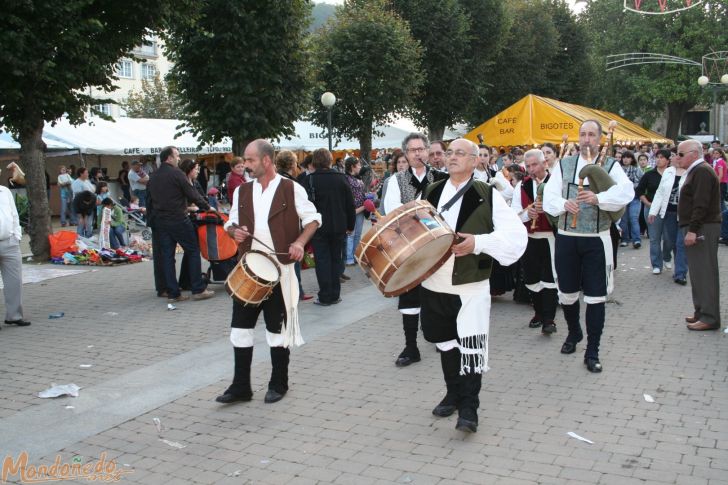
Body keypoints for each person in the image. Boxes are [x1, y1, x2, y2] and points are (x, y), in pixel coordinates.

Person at [421, 138, 526, 432]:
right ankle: (453, 394)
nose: (451, 157)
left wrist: (478, 243)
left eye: (459, 153)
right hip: (433, 282)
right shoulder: (432, 190)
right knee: (445, 343)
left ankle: (469, 409)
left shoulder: (487, 194)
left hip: (469, 285)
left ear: (475, 160)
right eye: (449, 152)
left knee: (470, 347)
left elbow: (516, 238)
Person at [216, 140, 321, 404]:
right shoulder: (242, 191)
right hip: (249, 268)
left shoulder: (291, 188)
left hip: (280, 270)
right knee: (239, 330)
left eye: (250, 160)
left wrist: (298, 242)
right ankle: (241, 387)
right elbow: (230, 222)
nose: (246, 165)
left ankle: (279, 382)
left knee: (276, 331)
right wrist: (233, 231)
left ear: (266, 161)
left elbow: (313, 219)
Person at [544, 119, 634, 373]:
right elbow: (549, 196)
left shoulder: (611, 165)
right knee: (567, 292)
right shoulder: (565, 164)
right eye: (583, 134)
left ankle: (592, 351)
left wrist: (598, 198)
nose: (586, 139)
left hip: (597, 239)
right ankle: (574, 333)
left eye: (592, 135)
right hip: (566, 237)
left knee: (596, 297)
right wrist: (564, 204)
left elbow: (626, 193)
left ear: (600, 139)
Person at [382, 132, 448, 367]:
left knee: (438, 293)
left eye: (421, 149)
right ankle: (411, 347)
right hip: (409, 248)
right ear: (406, 154)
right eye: (412, 150)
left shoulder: (442, 177)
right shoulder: (395, 181)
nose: (417, 153)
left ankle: (442, 339)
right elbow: (393, 211)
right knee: (409, 295)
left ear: (428, 151)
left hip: (437, 246)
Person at [147, 146, 214, 303]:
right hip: (178, 218)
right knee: (192, 250)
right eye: (177, 156)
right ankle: (198, 288)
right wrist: (207, 206)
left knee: (168, 256)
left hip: (161, 220)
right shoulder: (176, 173)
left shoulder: (154, 176)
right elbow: (192, 193)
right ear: (169, 158)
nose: (178, 158)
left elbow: (149, 199)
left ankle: (173, 292)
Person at [676, 139, 722, 331]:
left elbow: (700, 204)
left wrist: (693, 230)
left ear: (694, 154)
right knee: (697, 272)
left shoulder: (701, 171)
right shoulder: (697, 170)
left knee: (704, 272)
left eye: (680, 154)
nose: (677, 158)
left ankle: (709, 317)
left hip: (703, 227)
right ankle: (701, 311)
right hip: (699, 226)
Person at [511, 149, 558, 335]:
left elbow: (563, 208)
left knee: (549, 279)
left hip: (550, 239)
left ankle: (549, 320)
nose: (531, 169)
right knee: (531, 279)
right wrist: (526, 214)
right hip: (529, 239)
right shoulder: (522, 185)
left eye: (534, 165)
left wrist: (548, 208)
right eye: (528, 166)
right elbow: (514, 212)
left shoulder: (555, 183)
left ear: (544, 163)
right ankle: (538, 312)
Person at [305, 148, 355, 306]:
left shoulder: (309, 180)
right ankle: (335, 294)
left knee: (322, 261)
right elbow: (350, 204)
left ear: (314, 162)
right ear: (330, 161)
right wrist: (350, 225)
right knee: (336, 259)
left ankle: (325, 295)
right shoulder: (341, 178)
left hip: (318, 227)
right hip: (339, 225)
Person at [276, 149, 313, 301]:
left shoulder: (275, 180)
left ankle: (290, 291)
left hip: (277, 227)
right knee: (294, 260)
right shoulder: (291, 183)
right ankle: (297, 291)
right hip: (290, 226)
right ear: (292, 164)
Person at [648, 150, 688, 285]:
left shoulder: (691, 172)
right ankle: (667, 258)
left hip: (684, 214)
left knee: (680, 243)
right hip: (669, 213)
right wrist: (653, 211)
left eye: (677, 156)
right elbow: (660, 192)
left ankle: (680, 273)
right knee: (670, 241)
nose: (674, 158)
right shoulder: (668, 172)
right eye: (673, 156)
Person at [0, 183, 30, 329]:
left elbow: (14, 214)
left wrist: (16, 235)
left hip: (10, 241)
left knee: (15, 281)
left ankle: (14, 316)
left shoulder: (4, 191)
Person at [637, 148, 669, 274]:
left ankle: (667, 256)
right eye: (657, 157)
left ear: (667, 160)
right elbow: (639, 190)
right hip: (651, 209)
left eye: (661, 157)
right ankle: (656, 264)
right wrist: (647, 203)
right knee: (654, 238)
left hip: (668, 209)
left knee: (668, 237)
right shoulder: (649, 174)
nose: (658, 160)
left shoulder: (672, 173)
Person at [343, 157, 367, 267]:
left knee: (357, 234)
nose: (360, 167)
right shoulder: (346, 178)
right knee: (351, 234)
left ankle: (355, 256)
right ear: (352, 166)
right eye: (358, 165)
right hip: (353, 210)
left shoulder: (357, 178)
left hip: (361, 209)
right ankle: (349, 258)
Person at [617, 150, 643, 248]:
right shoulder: (618, 170)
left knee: (633, 218)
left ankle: (636, 240)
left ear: (632, 159)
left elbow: (642, 182)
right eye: (624, 157)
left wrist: (632, 186)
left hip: (634, 197)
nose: (625, 159)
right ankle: (625, 239)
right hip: (622, 197)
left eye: (628, 157)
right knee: (623, 219)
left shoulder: (637, 169)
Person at [71, 167, 96, 238]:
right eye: (86, 172)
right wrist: (82, 216)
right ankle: (80, 237)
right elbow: (78, 196)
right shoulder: (76, 183)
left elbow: (93, 190)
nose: (88, 174)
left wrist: (86, 215)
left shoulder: (87, 181)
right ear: (81, 174)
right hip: (80, 204)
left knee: (88, 223)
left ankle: (89, 237)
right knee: (81, 222)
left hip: (89, 203)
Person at [711, 148, 728, 245]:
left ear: (721, 154)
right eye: (714, 153)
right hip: (723, 184)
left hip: (721, 184)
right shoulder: (718, 162)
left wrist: (715, 184)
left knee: (720, 202)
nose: (715, 154)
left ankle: (720, 218)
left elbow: (720, 175)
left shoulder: (720, 162)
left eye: (717, 153)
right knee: (721, 203)